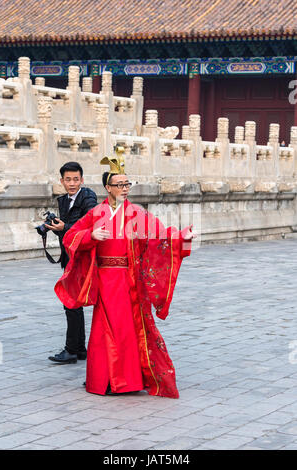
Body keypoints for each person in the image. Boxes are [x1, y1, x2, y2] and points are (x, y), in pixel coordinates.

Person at [54, 149, 196, 397]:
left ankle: (128, 381)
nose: (125, 188)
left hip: (129, 280)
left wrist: (183, 239)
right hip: (104, 278)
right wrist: (91, 236)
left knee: (126, 331)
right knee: (103, 332)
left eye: (127, 184)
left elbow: (160, 237)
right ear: (108, 188)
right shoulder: (96, 214)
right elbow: (70, 236)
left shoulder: (136, 214)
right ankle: (103, 380)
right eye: (119, 184)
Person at [46, 161, 97, 364]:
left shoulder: (88, 196)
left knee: (70, 302)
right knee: (72, 303)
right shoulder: (63, 200)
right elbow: (68, 227)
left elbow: (89, 221)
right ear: (62, 181)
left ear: (82, 180)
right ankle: (79, 349)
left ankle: (71, 350)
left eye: (76, 179)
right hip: (69, 257)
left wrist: (64, 226)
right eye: (68, 179)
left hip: (82, 258)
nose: (72, 183)